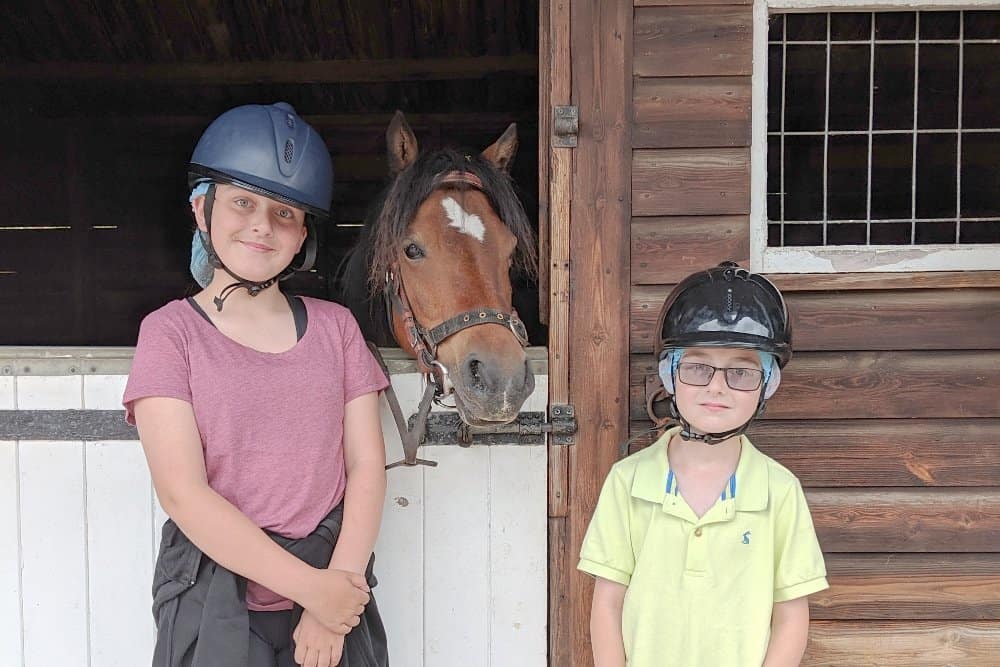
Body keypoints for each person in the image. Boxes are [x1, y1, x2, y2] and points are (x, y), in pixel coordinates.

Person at [123, 102, 390, 667]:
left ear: (303, 237)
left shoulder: (337, 328)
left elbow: (366, 464)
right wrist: (312, 590)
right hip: (214, 593)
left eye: (285, 213)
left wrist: (332, 592)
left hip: (331, 587)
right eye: (243, 202)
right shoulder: (169, 334)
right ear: (203, 208)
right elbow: (183, 492)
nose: (262, 226)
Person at [579, 261, 828, 666]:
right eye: (697, 367)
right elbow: (607, 603)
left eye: (741, 372)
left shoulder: (779, 490)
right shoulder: (629, 481)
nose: (717, 386)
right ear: (670, 373)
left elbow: (790, 615)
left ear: (767, 385)